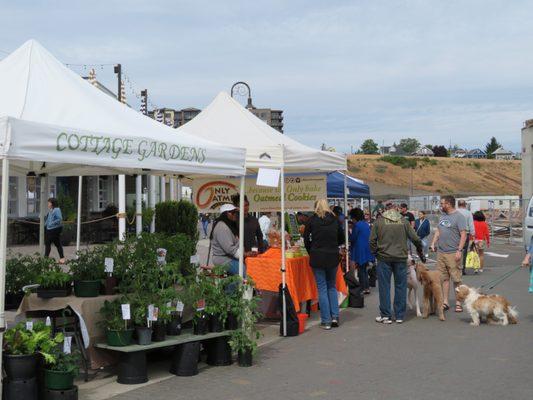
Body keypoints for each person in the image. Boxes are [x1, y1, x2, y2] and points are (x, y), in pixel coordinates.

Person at [370, 203, 424, 324]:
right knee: (400, 286)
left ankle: (386, 315)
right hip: (400, 257)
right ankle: (399, 315)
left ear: (385, 210)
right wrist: (419, 249)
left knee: (384, 287)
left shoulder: (379, 222)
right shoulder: (403, 221)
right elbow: (415, 238)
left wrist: (375, 253)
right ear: (396, 210)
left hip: (384, 257)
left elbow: (372, 240)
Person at [304, 199, 345, 330]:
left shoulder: (311, 220)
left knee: (322, 288)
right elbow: (342, 238)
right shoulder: (335, 220)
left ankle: (326, 321)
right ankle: (335, 317)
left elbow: (306, 239)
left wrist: (312, 250)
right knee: (331, 286)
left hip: (317, 256)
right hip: (332, 256)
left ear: (316, 207)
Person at [430, 195, 467, 313]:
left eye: (442, 204)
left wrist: (459, 250)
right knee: (444, 278)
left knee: (456, 278)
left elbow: (463, 234)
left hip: (453, 252)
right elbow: (439, 230)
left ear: (449, 204)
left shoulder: (459, 217)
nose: (441, 206)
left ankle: (458, 302)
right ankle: (445, 301)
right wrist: (433, 243)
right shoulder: (442, 216)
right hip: (441, 252)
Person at [209, 204, 253, 276]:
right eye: (232, 212)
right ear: (225, 214)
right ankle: (232, 287)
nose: (235, 214)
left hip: (229, 258)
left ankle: (230, 286)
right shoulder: (222, 227)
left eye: (236, 212)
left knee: (247, 267)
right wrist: (245, 254)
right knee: (243, 272)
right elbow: (230, 249)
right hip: (224, 259)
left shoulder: (228, 225)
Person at [349, 207, 373, 294]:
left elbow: (353, 238)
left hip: (360, 250)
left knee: (361, 270)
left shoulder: (357, 225)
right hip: (367, 249)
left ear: (354, 217)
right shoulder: (365, 224)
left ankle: (363, 288)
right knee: (364, 270)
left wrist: (349, 232)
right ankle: (367, 287)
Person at [457, 200, 476, 274]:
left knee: (456, 250)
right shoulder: (468, 213)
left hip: (456, 233)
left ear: (458, 205)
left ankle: (456, 267)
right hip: (465, 233)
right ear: (465, 205)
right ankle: (462, 268)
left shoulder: (455, 212)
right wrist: (473, 234)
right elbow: (471, 224)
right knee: (464, 251)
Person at [44, 197, 65, 263]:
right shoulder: (51, 210)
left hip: (54, 230)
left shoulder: (56, 210)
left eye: (49, 202)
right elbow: (48, 219)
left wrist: (50, 224)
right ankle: (62, 258)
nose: (48, 204)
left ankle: (45, 258)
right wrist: (45, 225)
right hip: (49, 229)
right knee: (55, 243)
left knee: (50, 243)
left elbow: (59, 219)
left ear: (52, 203)